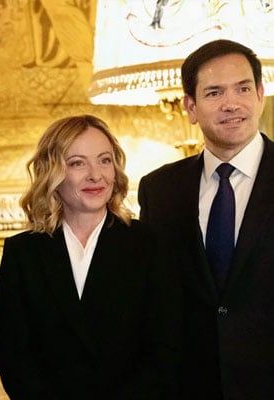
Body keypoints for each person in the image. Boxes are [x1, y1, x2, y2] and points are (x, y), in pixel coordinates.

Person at [0, 115, 181, 399]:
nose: (95, 175)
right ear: (52, 172)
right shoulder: (23, 252)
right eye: (77, 163)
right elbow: (15, 356)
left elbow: (165, 351)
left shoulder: (150, 244)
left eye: (104, 160)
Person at [138, 39, 274, 399]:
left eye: (243, 88)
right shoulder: (159, 189)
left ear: (261, 95)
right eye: (214, 92)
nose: (232, 103)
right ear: (191, 107)